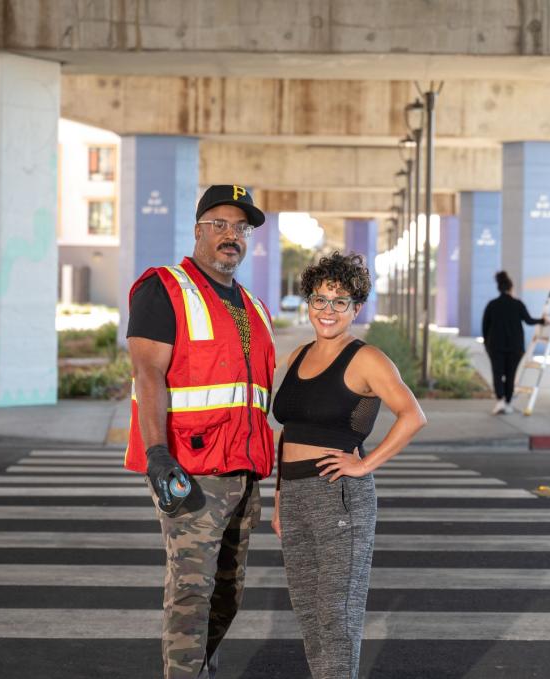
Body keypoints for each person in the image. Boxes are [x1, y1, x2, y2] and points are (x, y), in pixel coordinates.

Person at [124, 184, 277, 679]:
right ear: (198, 231)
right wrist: (156, 454)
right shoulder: (164, 288)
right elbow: (148, 375)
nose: (231, 235)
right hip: (190, 470)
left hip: (244, 469)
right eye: (220, 225)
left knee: (228, 594)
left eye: (241, 227)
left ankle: (197, 666)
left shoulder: (253, 306)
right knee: (191, 591)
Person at [270, 251, 427, 679]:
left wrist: (365, 465)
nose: (328, 310)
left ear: (356, 308)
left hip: (339, 497)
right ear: (308, 303)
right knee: (309, 616)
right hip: (297, 496)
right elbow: (290, 432)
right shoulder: (298, 355)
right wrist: (281, 496)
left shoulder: (367, 359)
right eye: (320, 299)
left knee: (336, 619)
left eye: (340, 302)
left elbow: (412, 415)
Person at [481, 271, 545, 414]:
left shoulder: (492, 305)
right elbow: (529, 320)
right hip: (515, 348)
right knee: (511, 375)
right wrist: (542, 320)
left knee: (497, 374)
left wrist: (487, 344)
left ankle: (500, 401)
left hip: (495, 347)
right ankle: (508, 402)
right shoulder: (517, 304)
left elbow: (484, 327)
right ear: (511, 288)